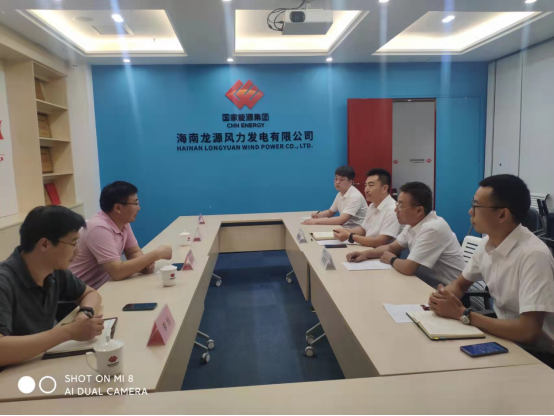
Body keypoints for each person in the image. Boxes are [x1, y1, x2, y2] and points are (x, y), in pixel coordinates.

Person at [429, 174, 554, 368]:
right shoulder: (488, 243)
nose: (470, 211)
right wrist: (442, 298)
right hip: (506, 339)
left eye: (476, 206)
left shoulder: (534, 256)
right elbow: (460, 284)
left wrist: (463, 314)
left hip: (539, 355)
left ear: (502, 214)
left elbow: (528, 331)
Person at [0, 206, 104, 368]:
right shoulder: (4, 282)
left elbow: (90, 294)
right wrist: (68, 332)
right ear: (44, 244)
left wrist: (84, 314)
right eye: (73, 243)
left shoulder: (54, 270)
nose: (77, 251)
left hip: (39, 363)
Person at [347, 182, 465, 287]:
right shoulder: (413, 223)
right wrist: (365, 254)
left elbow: (408, 268)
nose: (396, 210)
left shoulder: (432, 228)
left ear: (419, 210)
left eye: (401, 206)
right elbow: (391, 247)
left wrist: (392, 259)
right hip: (425, 283)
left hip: (449, 292)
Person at [70, 181, 172, 290]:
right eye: (135, 204)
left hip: (104, 286)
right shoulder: (98, 228)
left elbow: (133, 252)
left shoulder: (123, 223)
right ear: (118, 208)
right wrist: (156, 254)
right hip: (79, 294)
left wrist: (144, 265)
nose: (139, 208)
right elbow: (117, 272)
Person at [333, 168, 400, 247]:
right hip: (367, 247)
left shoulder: (393, 209)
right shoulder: (372, 205)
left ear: (384, 188)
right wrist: (344, 231)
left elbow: (380, 241)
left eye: (371, 185)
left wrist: (350, 236)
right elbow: (363, 230)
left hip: (379, 252)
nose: (366, 190)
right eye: (366, 185)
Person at [303, 166, 367, 228]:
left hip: (356, 230)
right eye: (336, 179)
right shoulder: (340, 194)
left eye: (341, 179)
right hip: (345, 228)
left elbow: (341, 220)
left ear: (350, 182)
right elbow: (330, 212)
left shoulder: (355, 196)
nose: (337, 182)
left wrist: (315, 221)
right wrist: (319, 215)